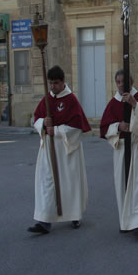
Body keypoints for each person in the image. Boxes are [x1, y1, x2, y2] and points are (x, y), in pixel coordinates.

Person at [29, 65, 91, 235]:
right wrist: (42, 124)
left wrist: (55, 131)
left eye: (56, 83)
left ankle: (74, 214)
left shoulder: (71, 100)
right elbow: (36, 118)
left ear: (63, 82)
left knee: (69, 184)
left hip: (67, 151)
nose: (53, 87)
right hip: (49, 149)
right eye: (50, 83)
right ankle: (44, 221)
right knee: (47, 183)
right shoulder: (47, 100)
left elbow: (77, 127)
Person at [100, 70, 138, 239]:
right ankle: (126, 221)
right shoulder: (113, 103)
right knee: (122, 185)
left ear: (131, 81)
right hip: (122, 149)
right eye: (117, 82)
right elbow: (104, 127)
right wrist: (118, 127)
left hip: (137, 147)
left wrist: (134, 105)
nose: (120, 85)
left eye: (124, 82)